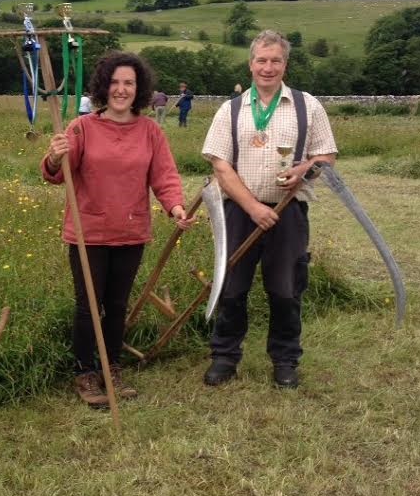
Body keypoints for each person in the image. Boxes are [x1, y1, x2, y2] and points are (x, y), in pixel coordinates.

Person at [42, 51, 194, 407]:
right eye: (115, 82)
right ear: (103, 86)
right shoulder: (81, 128)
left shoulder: (150, 131)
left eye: (129, 83)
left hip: (130, 233)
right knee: (89, 307)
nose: (121, 89)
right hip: (88, 233)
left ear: (138, 89)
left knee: (117, 303)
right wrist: (53, 156)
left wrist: (175, 207)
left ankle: (111, 368)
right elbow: (56, 174)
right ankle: (84, 372)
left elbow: (165, 177)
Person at [201, 30, 337, 390]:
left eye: (275, 60)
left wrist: (305, 169)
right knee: (231, 287)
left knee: (286, 289)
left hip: (289, 212)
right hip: (239, 213)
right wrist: (252, 207)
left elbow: (327, 156)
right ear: (250, 64)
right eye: (262, 60)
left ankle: (285, 360)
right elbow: (220, 165)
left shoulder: (308, 106)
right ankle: (225, 356)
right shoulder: (230, 110)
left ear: (285, 64)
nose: (268, 67)